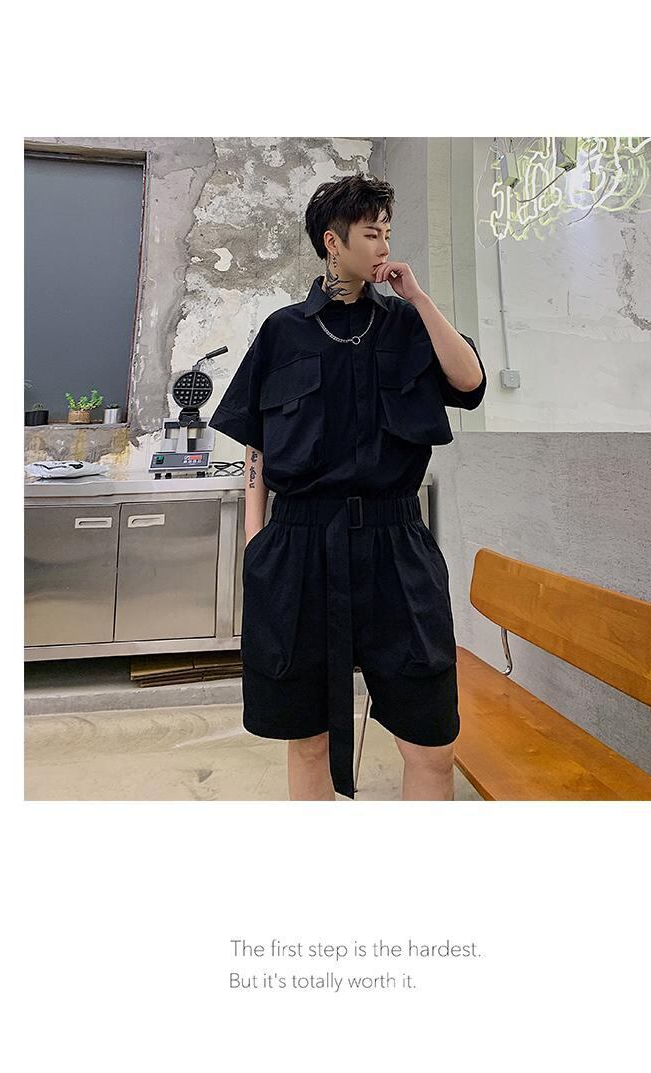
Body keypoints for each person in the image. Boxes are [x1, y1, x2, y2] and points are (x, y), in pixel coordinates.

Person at [209, 174, 486, 801]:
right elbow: (257, 443)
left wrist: (418, 297)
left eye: (388, 231)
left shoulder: (408, 324)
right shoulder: (283, 332)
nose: (384, 244)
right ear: (333, 243)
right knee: (306, 736)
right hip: (299, 546)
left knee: (431, 739)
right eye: (370, 233)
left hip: (396, 543)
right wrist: (256, 542)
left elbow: (469, 382)